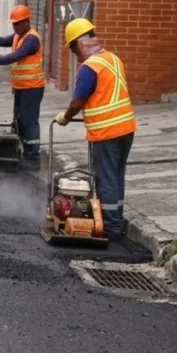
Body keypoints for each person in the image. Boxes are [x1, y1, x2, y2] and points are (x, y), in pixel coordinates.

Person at [53, 18, 136, 242]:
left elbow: (78, 101)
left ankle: (110, 228)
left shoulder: (89, 67)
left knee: (106, 179)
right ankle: (116, 220)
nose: (73, 53)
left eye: (71, 48)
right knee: (117, 176)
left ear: (79, 44)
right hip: (126, 128)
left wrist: (66, 117)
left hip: (106, 131)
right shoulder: (113, 59)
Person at [0, 4, 45, 170]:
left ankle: (33, 157)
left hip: (32, 88)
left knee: (29, 121)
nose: (14, 26)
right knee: (20, 120)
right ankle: (25, 153)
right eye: (13, 23)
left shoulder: (31, 39)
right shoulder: (19, 35)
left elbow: (14, 56)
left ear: (26, 22)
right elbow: (2, 41)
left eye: (17, 23)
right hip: (22, 88)